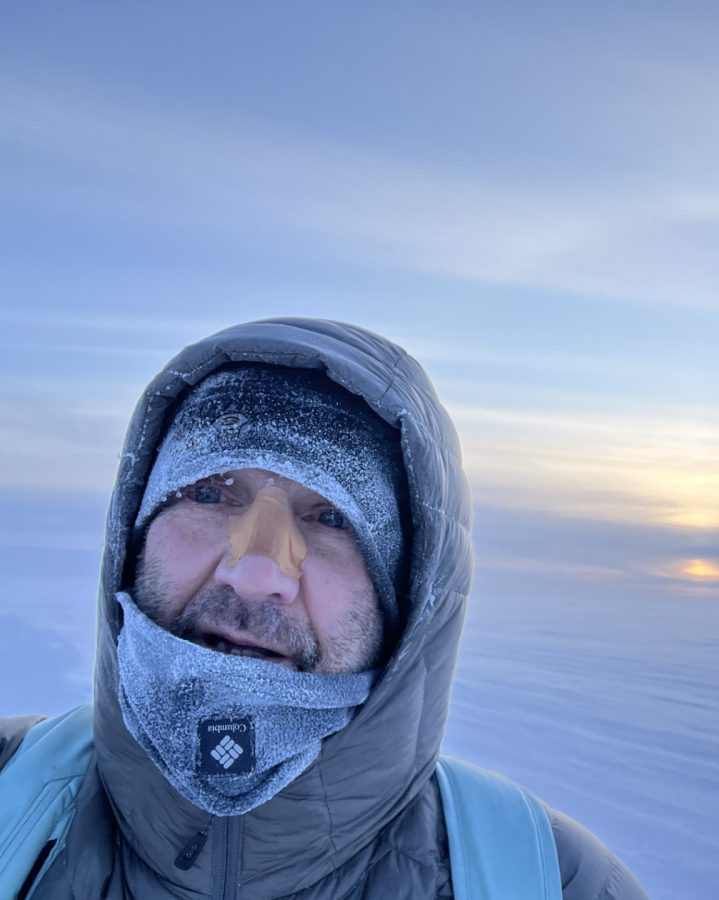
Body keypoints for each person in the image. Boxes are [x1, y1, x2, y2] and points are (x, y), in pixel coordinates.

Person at [0, 318, 648, 899]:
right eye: (210, 493)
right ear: (136, 532)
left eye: (333, 517)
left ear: (406, 599)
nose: (256, 573)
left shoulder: (557, 882)